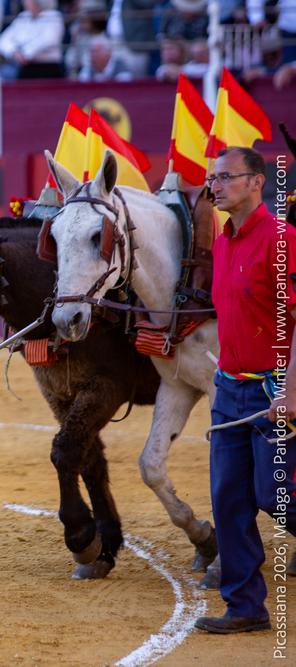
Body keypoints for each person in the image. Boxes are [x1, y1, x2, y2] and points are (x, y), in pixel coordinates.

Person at [194, 147, 296, 634]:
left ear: (257, 182)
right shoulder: (222, 243)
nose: (216, 186)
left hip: (277, 389)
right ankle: (245, 607)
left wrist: (291, 390)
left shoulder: (284, 240)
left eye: (226, 177)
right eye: (212, 179)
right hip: (231, 390)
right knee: (228, 498)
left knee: (278, 496)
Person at [0, 0, 64, 79]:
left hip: (48, 67)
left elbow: (50, 39)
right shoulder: (23, 17)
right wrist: (14, 52)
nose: (26, 2)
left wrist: (26, 54)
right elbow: (3, 40)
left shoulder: (53, 16)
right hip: (26, 68)